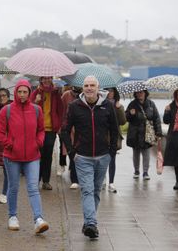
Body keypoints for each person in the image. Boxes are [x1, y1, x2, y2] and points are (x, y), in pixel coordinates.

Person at [61, 76, 118, 239]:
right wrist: (72, 152)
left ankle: (88, 223)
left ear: (98, 88)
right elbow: (64, 130)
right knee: (87, 190)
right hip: (82, 157)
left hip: (103, 156)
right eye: (86, 85)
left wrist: (111, 152)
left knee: (96, 191)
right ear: (82, 88)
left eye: (92, 85)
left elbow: (115, 130)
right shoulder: (74, 106)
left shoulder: (108, 106)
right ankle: (92, 223)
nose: (89, 88)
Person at [0, 79, 49, 234]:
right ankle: (12, 216)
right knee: (13, 187)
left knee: (33, 187)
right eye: (20, 91)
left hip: (32, 155)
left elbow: (41, 129)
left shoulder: (37, 110)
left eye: (25, 92)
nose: (22, 95)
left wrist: (38, 142)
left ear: (29, 92)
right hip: (12, 156)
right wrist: (8, 143)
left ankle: (38, 219)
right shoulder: (7, 110)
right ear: (15, 92)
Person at [30, 76, 64, 190]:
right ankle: (36, 180)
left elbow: (61, 110)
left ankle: (46, 181)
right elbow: (29, 108)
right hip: (38, 129)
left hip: (51, 129)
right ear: (40, 80)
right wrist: (36, 101)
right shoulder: (36, 93)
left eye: (49, 78)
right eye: (44, 78)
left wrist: (59, 125)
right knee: (38, 155)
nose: (46, 80)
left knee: (48, 155)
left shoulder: (55, 93)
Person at [125, 89, 162, 180]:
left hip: (147, 133)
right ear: (135, 94)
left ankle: (145, 172)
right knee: (136, 153)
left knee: (146, 153)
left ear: (145, 93)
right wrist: (130, 114)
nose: (140, 94)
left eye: (141, 92)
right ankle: (136, 171)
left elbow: (156, 119)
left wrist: (158, 132)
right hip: (135, 133)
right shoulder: (132, 104)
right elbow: (126, 117)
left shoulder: (151, 104)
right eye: (138, 92)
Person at [103, 87, 127, 193]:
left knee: (112, 159)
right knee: (101, 159)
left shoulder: (118, 105)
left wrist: (119, 109)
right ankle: (102, 181)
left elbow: (122, 122)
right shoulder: (101, 104)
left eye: (112, 91)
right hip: (102, 135)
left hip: (114, 135)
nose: (110, 93)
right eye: (107, 91)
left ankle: (111, 182)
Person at [59, 86, 81, 189]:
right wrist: (61, 126)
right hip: (68, 127)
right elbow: (61, 111)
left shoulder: (86, 95)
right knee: (71, 151)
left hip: (81, 128)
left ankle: (78, 176)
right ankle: (74, 178)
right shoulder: (66, 95)